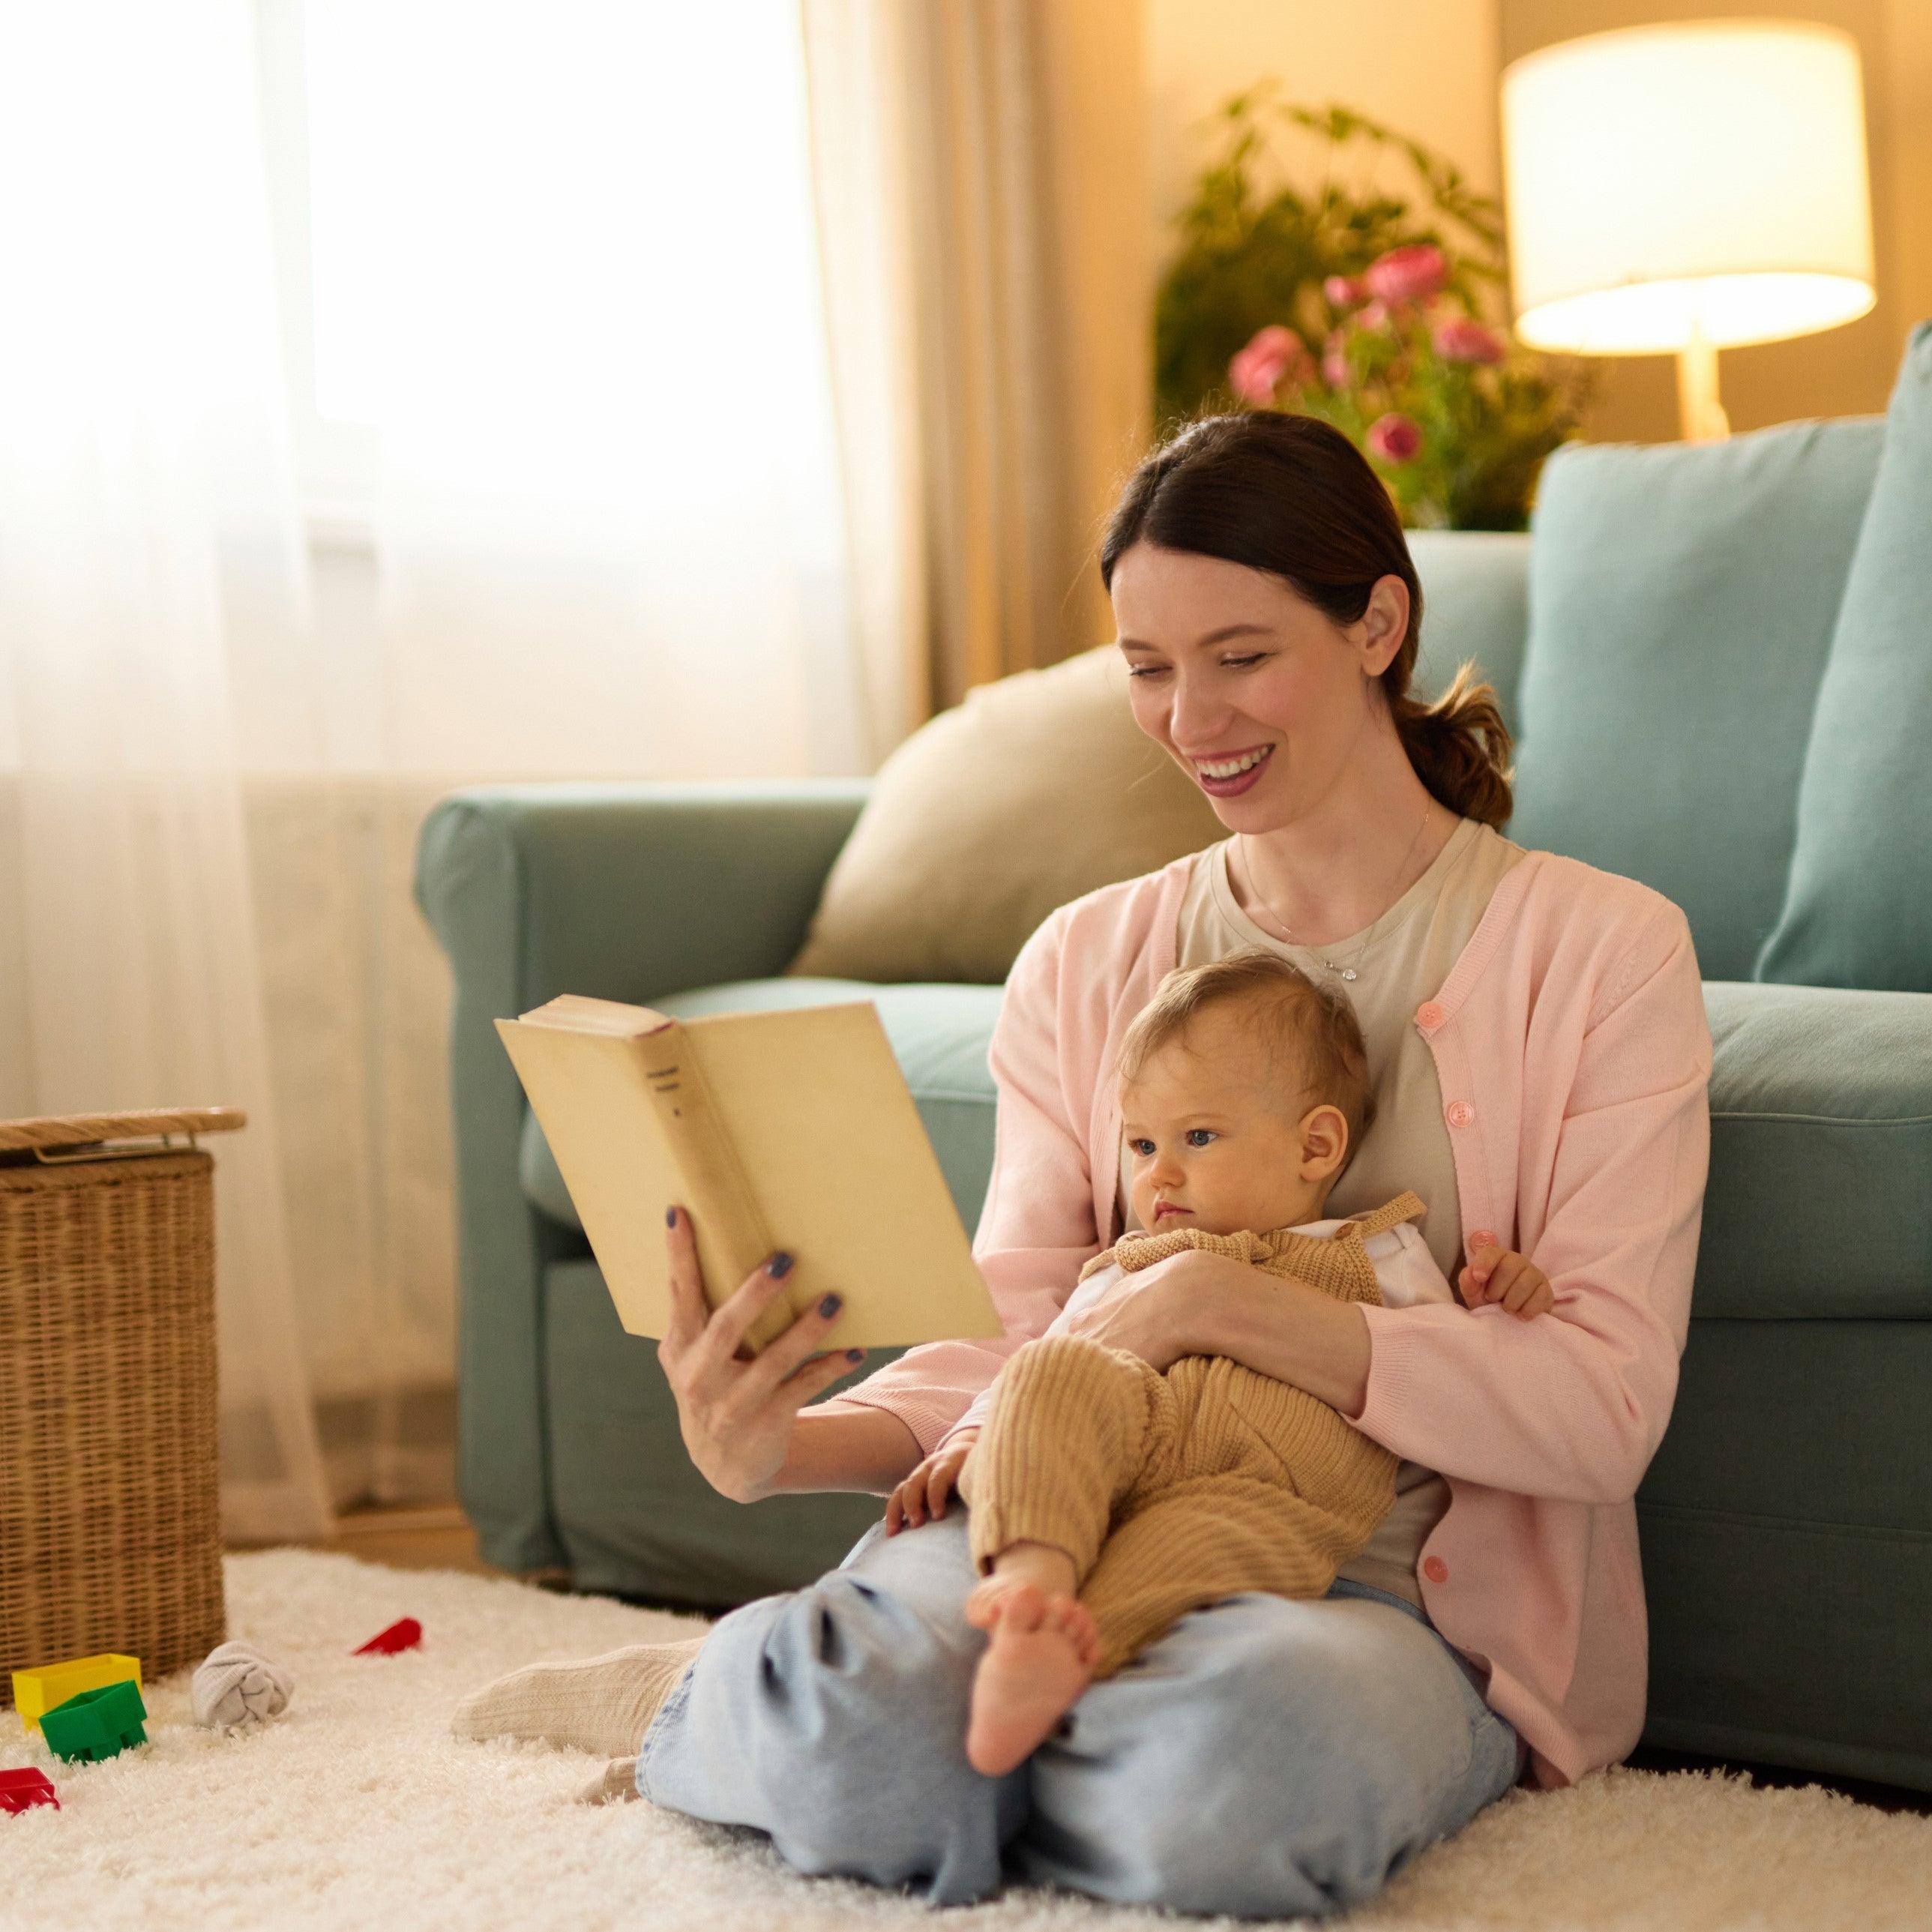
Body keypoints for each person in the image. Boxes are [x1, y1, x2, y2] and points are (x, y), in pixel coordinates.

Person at [453, 410, 1713, 1917]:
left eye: (1240, 654)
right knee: (871, 1724)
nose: (1190, 716)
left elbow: (1600, 1410)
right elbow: (1017, 1335)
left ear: (1376, 622)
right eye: (1146, 665)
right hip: (1049, 1530)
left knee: (1226, 1775)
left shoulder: (1601, 951)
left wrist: (1216, 1305)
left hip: (1362, 1603)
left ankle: (907, 1725)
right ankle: (801, 1706)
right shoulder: (1088, 959)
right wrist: (780, 1448)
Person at [919, 948, 1557, 1778]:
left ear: (1316, 1146)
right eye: (1141, 1144)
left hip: (1275, 1492)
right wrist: (978, 1437)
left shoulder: (1380, 1253)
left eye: (1198, 1136)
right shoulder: (1129, 1265)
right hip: (1134, 1445)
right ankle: (1031, 1581)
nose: (1159, 1174)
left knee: (1187, 1548)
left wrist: (1507, 1297)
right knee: (1051, 1376)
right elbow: (1048, 1373)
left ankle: (1062, 1656)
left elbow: (1455, 1382)